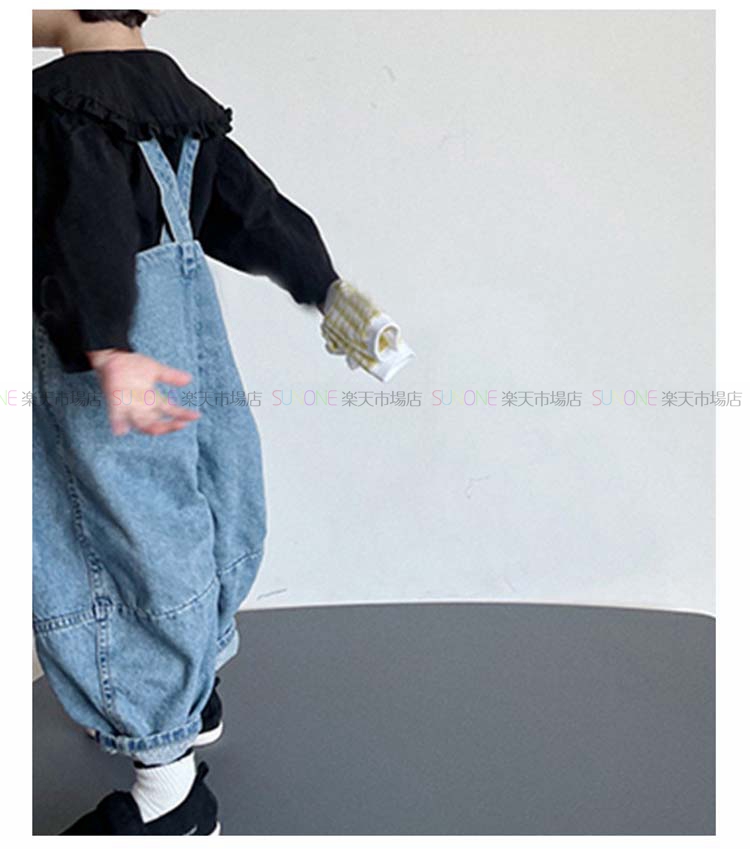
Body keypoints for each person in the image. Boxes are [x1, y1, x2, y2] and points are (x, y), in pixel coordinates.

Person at [33, 10, 341, 835]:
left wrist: (105, 341)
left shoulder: (59, 103)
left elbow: (87, 224)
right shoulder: (177, 99)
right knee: (200, 497)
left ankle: (170, 797)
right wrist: (324, 283)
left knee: (104, 539)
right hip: (185, 344)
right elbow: (252, 208)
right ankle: (194, 692)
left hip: (108, 362)